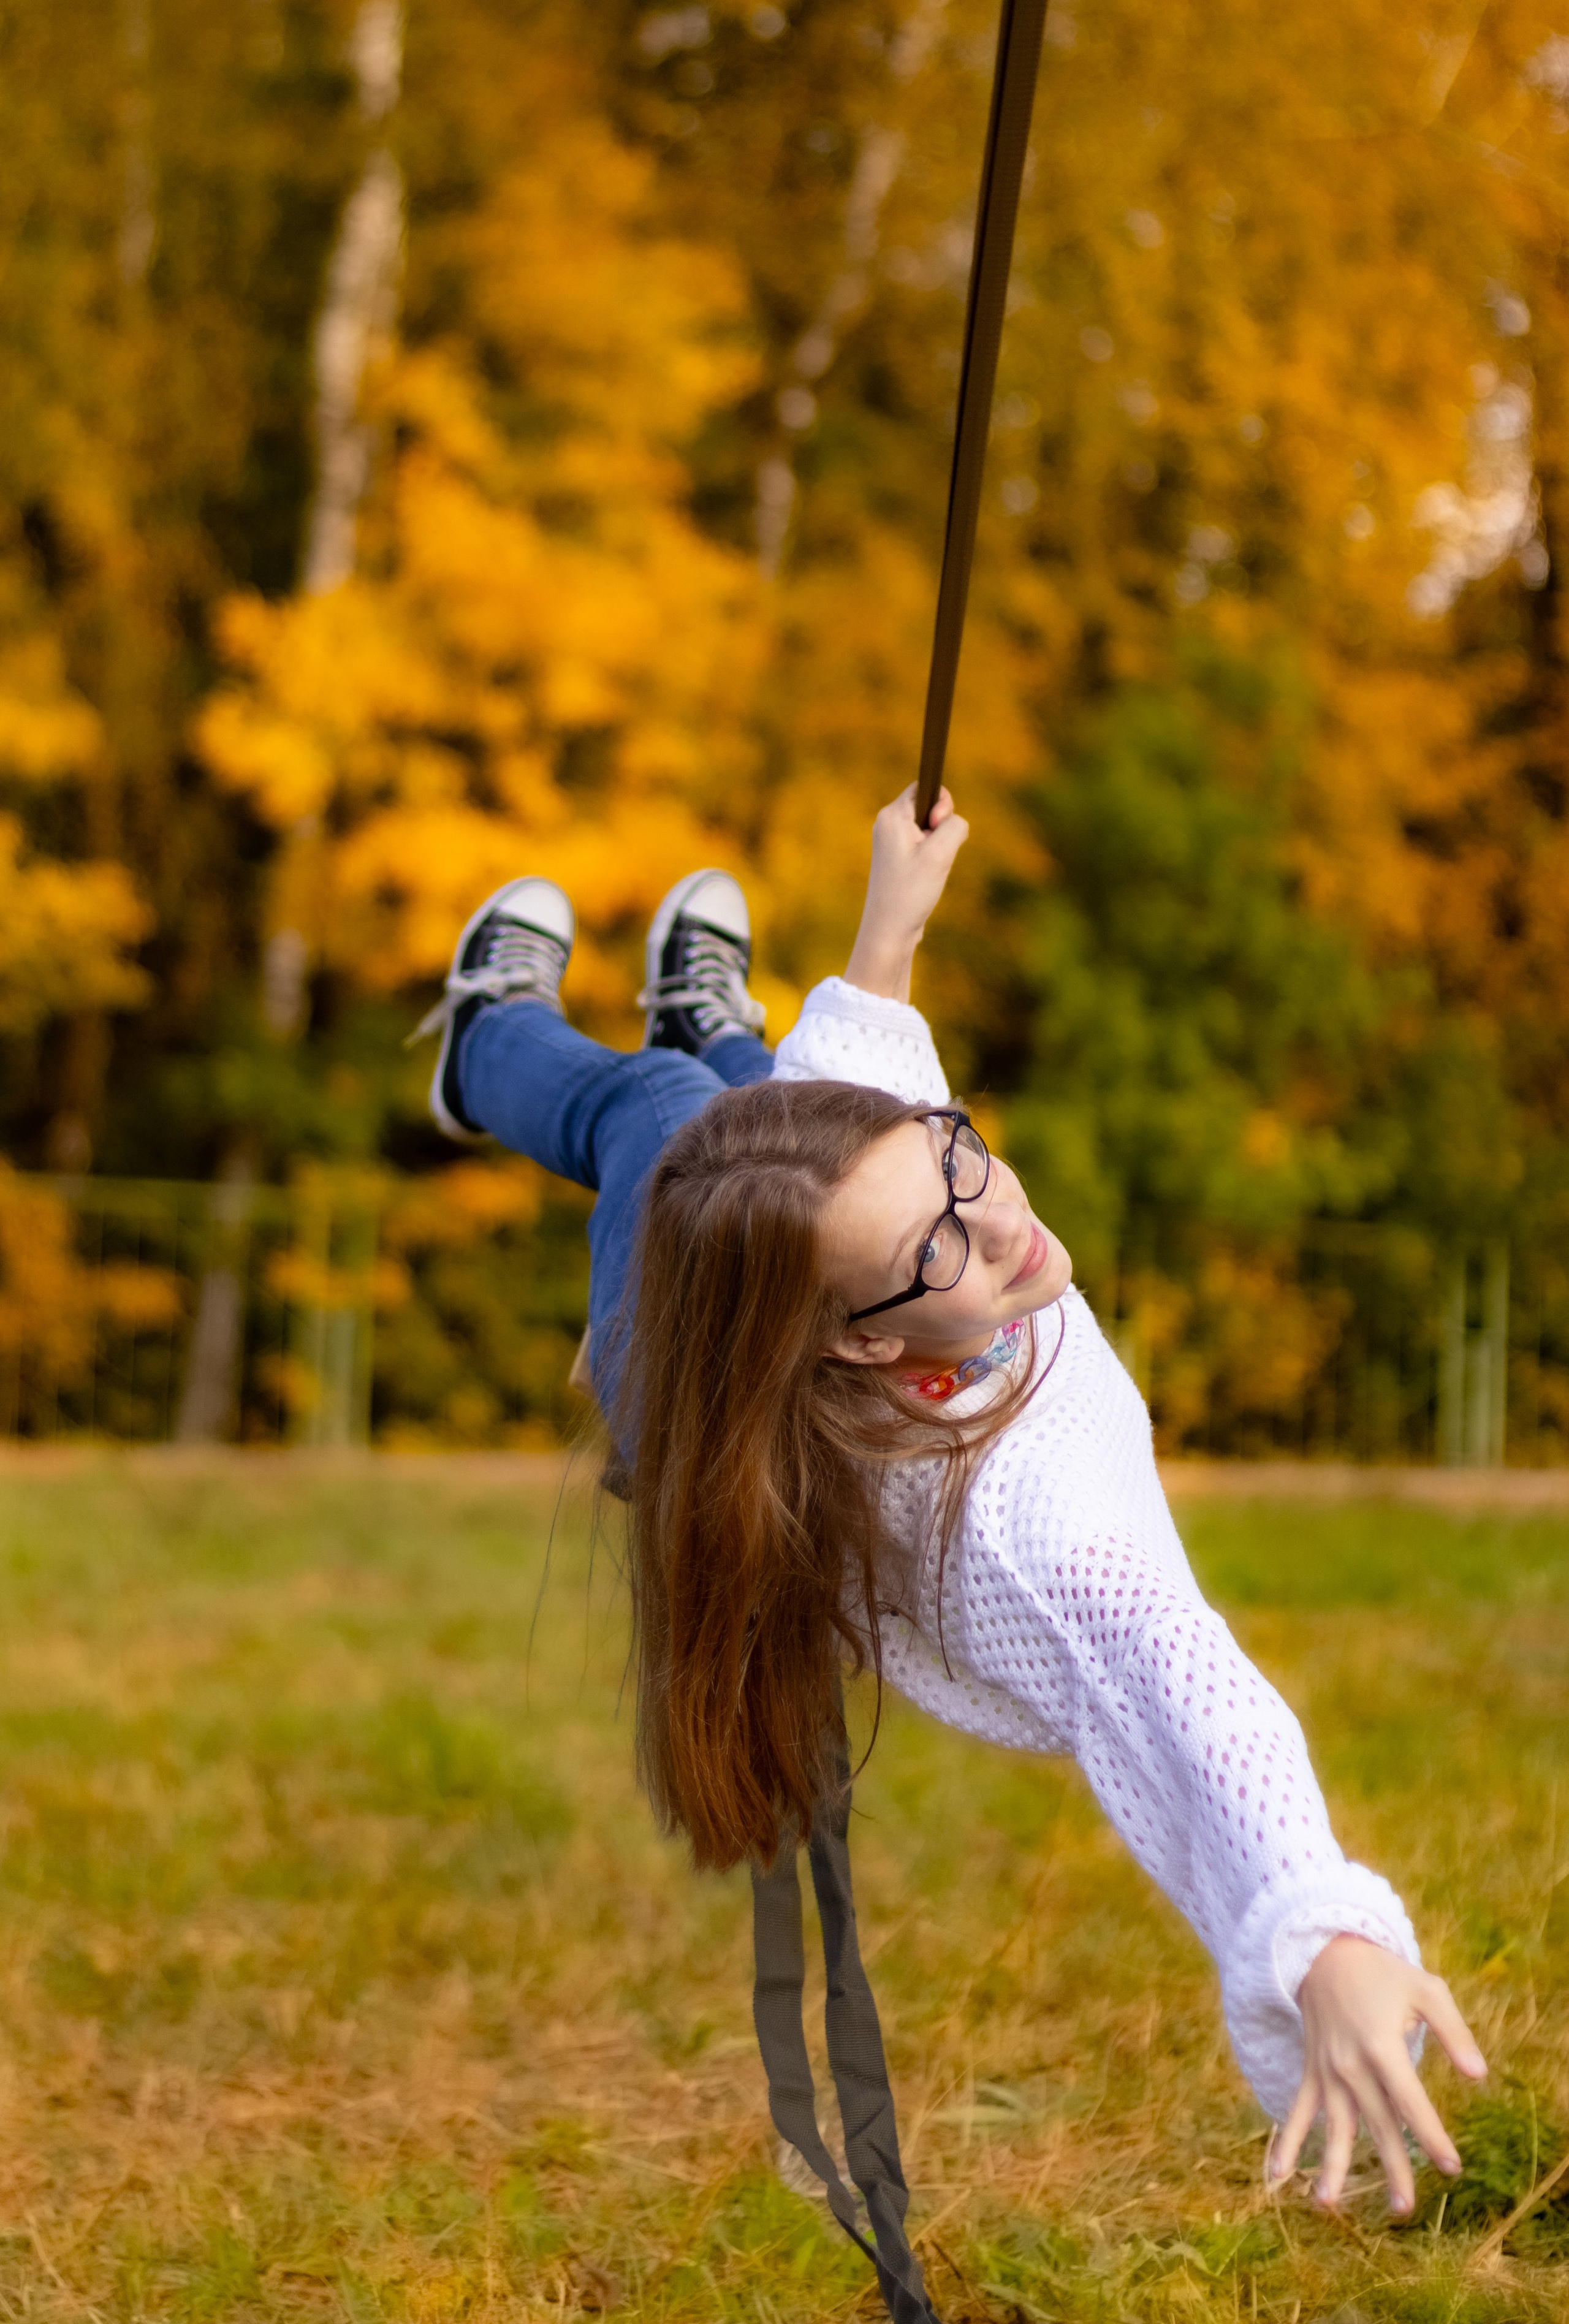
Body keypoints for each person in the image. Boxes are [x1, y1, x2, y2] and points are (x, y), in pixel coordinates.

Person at [417, 784, 1486, 2218]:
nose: (999, 1219)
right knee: (715, 1112)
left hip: (674, 1365)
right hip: (725, 1342)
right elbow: (867, 1088)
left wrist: (1325, 1933)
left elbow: (1197, 1689)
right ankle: (654, 1034)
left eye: (959, 1166)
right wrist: (891, 911)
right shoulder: (913, 1285)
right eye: (942, 1226)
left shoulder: (1037, 1531)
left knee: (668, 1115)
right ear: (867, 1330)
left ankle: (496, 1033)